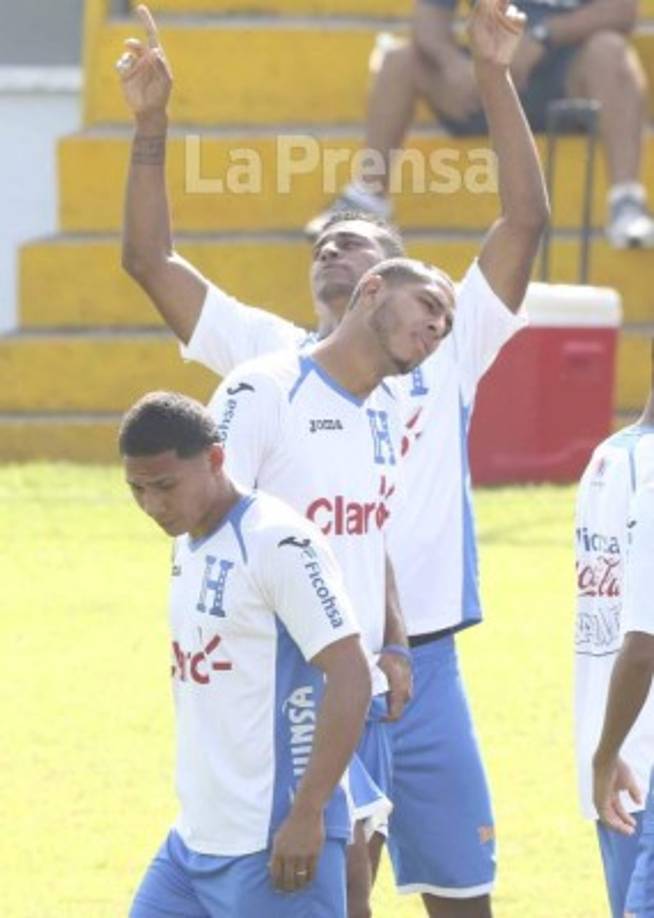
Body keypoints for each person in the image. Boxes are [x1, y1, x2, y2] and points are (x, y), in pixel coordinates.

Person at [118, 2, 548, 915]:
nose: (332, 244)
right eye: (323, 240)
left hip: (425, 661)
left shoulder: (445, 344)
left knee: (462, 894)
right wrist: (151, 129)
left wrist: (493, 74)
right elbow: (151, 261)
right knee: (339, 881)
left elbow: (522, 221)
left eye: (354, 238)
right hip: (310, 659)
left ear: (393, 281)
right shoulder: (267, 358)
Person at [119, 390, 372, 918]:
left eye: (165, 486)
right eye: (137, 490)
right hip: (193, 843)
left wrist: (309, 813)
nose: (153, 506)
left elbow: (350, 675)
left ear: (215, 459)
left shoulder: (276, 542)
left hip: (274, 842)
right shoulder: (188, 541)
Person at [306, 0, 654, 250]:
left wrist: (542, 36)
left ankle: (626, 201)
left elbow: (622, 11)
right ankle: (366, 197)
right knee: (400, 60)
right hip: (485, 81)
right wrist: (453, 66)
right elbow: (427, 20)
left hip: (565, 79)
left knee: (610, 51)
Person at [575, 342, 654, 917]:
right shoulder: (625, 464)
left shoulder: (610, 457)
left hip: (620, 753)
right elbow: (636, 639)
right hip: (630, 756)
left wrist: (602, 752)